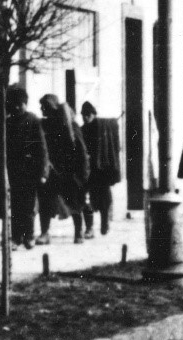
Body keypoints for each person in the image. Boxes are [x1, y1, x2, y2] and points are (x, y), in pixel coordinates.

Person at [38, 94, 89, 243]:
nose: (41, 109)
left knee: (74, 202)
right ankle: (45, 233)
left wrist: (83, 173)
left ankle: (78, 232)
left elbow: (81, 150)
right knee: (46, 202)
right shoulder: (45, 125)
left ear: (51, 107)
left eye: (44, 107)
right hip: (51, 170)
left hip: (69, 171)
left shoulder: (70, 125)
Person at [3, 86, 48, 249]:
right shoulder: (8, 122)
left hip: (30, 169)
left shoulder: (33, 120)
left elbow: (42, 147)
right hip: (14, 169)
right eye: (15, 104)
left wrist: (43, 172)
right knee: (15, 205)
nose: (17, 107)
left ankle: (29, 236)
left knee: (28, 205)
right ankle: (16, 238)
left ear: (25, 104)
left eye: (20, 104)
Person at [79, 101, 122, 237]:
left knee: (104, 199)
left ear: (93, 114)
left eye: (88, 114)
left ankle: (105, 224)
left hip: (102, 170)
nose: (85, 117)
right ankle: (89, 228)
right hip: (87, 169)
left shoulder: (101, 127)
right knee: (86, 199)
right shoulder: (82, 130)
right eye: (83, 115)